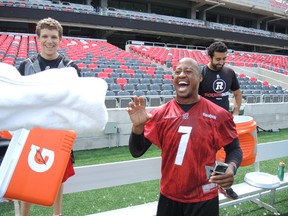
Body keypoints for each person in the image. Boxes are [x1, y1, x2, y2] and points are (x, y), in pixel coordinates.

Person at [127, 57, 243, 216]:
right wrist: (137, 128)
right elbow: (136, 151)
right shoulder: (160, 114)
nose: (182, 75)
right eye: (178, 72)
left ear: (200, 77)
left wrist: (231, 168)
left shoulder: (219, 115)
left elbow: (234, 149)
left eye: (189, 71)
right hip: (169, 196)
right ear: (173, 79)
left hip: (204, 197)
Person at [17, 17, 81, 216]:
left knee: (58, 172)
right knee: (26, 172)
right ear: (38, 38)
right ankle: (25, 214)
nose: (49, 41)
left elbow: (75, 100)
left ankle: (57, 213)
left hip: (59, 128)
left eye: (53, 36)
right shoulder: (25, 66)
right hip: (31, 128)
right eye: (45, 36)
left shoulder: (71, 67)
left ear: (60, 39)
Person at [199, 41, 243, 200]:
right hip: (204, 124)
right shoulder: (201, 73)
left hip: (224, 123)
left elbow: (237, 93)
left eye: (224, 58)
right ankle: (210, 187)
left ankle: (224, 185)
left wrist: (236, 111)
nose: (221, 62)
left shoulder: (229, 73)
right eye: (218, 59)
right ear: (210, 56)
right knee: (207, 158)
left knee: (235, 151)